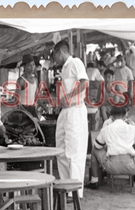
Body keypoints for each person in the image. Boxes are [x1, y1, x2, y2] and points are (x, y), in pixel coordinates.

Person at [52, 39, 89, 198]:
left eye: (54, 55)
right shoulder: (65, 69)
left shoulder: (75, 62)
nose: (54, 60)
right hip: (66, 111)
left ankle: (75, 192)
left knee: (74, 153)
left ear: (60, 51)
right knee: (61, 151)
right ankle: (65, 187)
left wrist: (68, 95)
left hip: (75, 110)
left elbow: (85, 83)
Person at [86, 106, 135, 190]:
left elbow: (97, 146)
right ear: (125, 116)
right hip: (131, 166)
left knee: (94, 151)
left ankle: (94, 181)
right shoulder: (132, 127)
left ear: (111, 117)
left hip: (111, 167)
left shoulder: (106, 128)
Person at [17, 54, 40, 118]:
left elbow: (36, 97)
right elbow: (16, 101)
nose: (32, 67)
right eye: (29, 65)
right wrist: (27, 114)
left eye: (33, 65)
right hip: (23, 111)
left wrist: (43, 107)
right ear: (24, 66)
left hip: (33, 110)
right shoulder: (21, 80)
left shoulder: (35, 79)